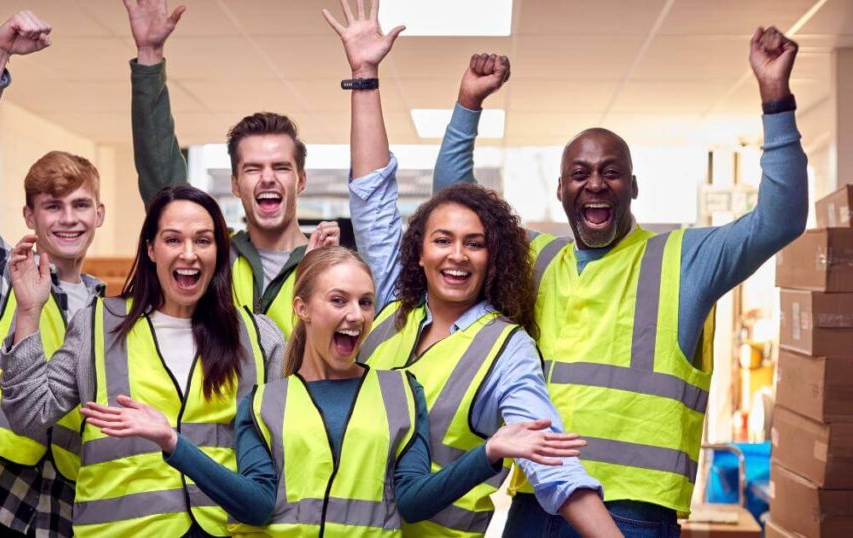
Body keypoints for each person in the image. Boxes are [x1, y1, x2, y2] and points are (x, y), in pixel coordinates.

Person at [432, 28, 808, 537]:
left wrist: (775, 100)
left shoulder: (685, 257)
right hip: (535, 495)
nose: (594, 183)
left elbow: (778, 220)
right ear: (561, 188)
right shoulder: (537, 259)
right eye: (580, 173)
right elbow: (459, 205)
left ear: (632, 187)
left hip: (631, 509)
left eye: (610, 172)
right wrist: (468, 105)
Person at [332, 1, 621, 536]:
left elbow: (550, 458)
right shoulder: (390, 307)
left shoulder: (505, 349)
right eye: (442, 240)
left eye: (475, 244)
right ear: (418, 251)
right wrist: (365, 77)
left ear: (496, 259)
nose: (457, 255)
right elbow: (371, 197)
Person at [78, 245, 587, 537]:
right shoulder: (265, 401)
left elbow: (411, 502)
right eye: (339, 300)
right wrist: (173, 443)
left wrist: (490, 452)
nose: (356, 315)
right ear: (302, 309)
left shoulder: (400, 392)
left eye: (365, 302)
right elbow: (255, 506)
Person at [0, 186, 285, 536]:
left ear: (219, 252)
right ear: (151, 248)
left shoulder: (258, 337)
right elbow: (27, 415)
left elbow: (284, 456)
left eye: (203, 241)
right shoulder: (98, 325)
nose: (189, 254)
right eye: (173, 240)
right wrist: (28, 312)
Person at [0, 11, 99, 537]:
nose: (68, 218)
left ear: (99, 214)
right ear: (30, 216)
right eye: (53, 206)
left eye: (80, 205)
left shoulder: (110, 311)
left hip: (78, 516)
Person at [123, 0, 339, 338]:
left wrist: (319, 271)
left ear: (302, 180)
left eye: (281, 167)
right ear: (236, 184)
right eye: (252, 169)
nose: (267, 177)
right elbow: (162, 174)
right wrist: (149, 57)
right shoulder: (213, 257)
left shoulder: (328, 262)